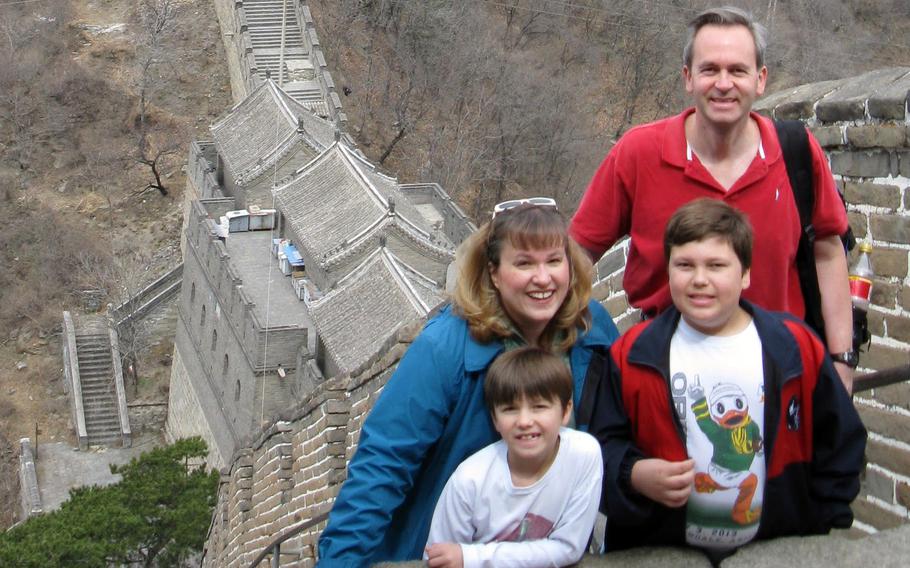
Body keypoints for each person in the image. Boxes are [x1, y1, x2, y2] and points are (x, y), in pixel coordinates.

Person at [317, 198, 619, 566]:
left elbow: (619, 431)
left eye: (554, 261)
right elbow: (384, 463)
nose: (543, 278)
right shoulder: (445, 348)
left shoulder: (593, 331)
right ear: (493, 272)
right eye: (524, 263)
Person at [569, 6, 856, 392]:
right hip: (666, 381)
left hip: (780, 377)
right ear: (688, 77)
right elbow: (577, 254)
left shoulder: (795, 153)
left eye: (737, 70)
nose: (724, 83)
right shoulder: (641, 152)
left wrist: (841, 361)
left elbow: (827, 249)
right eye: (710, 70)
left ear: (760, 79)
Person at [587, 199, 866, 561]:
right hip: (663, 548)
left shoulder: (794, 348)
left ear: (745, 273)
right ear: (668, 271)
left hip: (777, 547)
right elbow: (597, 451)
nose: (699, 279)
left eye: (716, 265)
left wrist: (825, 528)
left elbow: (840, 441)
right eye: (684, 265)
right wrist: (634, 473)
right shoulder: (632, 355)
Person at [424, 347, 603, 568]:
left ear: (566, 411)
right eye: (510, 409)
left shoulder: (583, 454)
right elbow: (441, 558)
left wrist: (472, 558)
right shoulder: (468, 481)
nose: (525, 421)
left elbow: (569, 548)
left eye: (539, 407)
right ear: (495, 419)